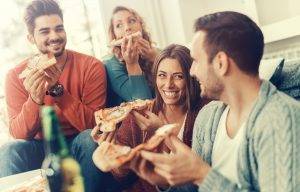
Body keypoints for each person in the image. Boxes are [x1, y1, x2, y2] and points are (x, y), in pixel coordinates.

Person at [131, 11, 300, 191]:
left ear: (221, 63)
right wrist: (166, 181)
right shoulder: (208, 116)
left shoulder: (282, 120)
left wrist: (202, 174)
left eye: (196, 61)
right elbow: (197, 187)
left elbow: (203, 178)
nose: (192, 72)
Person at [0, 0, 107, 191]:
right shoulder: (15, 76)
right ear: (31, 38)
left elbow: (95, 126)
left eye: (59, 28)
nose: (55, 36)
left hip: (77, 143)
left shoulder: (91, 66)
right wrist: (35, 99)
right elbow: (19, 134)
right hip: (40, 148)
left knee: (88, 139)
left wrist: (58, 91)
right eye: (44, 31)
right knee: (9, 150)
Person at [95, 44, 207, 191]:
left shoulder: (206, 113)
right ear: (155, 78)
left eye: (178, 76)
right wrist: (113, 149)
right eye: (162, 75)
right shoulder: (140, 111)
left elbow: (198, 171)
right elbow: (122, 175)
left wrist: (161, 130)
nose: (168, 84)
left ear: (190, 78)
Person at [104, 6, 158, 107]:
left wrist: (154, 58)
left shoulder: (158, 52)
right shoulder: (111, 65)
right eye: (119, 25)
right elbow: (143, 104)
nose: (127, 28)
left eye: (132, 21)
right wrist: (132, 64)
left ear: (141, 26)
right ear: (114, 34)